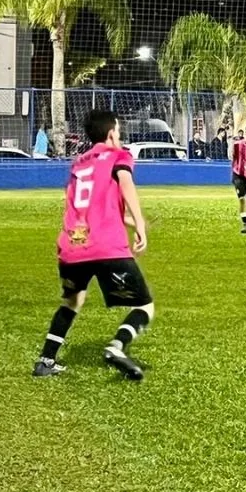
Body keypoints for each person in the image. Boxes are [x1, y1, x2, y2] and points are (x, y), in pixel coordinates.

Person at [35, 110, 154, 381]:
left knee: (72, 300)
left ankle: (45, 360)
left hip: (72, 246)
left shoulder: (79, 164)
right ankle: (117, 347)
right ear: (112, 133)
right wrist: (140, 222)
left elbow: (92, 205)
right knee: (145, 307)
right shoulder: (119, 155)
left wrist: (129, 220)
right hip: (106, 246)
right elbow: (126, 184)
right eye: (119, 131)